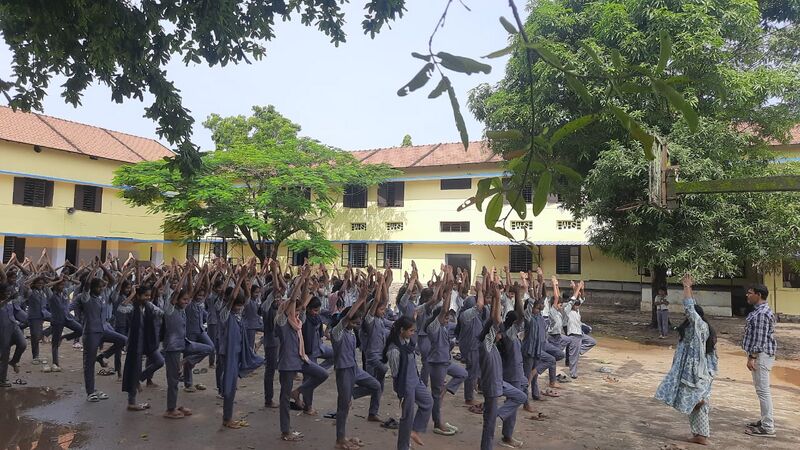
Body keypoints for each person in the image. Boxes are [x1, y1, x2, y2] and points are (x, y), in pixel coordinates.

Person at [655, 274, 718, 446]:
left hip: (694, 372)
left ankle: (701, 435)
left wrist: (687, 287)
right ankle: (700, 434)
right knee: (697, 404)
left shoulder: (699, 327)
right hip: (702, 372)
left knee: (696, 401)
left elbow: (690, 308)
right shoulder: (703, 330)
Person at [330, 279, 380, 450]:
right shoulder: (337, 332)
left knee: (375, 386)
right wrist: (359, 299)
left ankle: (350, 395)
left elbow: (358, 316)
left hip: (354, 369)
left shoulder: (352, 332)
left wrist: (364, 299)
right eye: (354, 322)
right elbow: (347, 318)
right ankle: (340, 439)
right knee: (343, 407)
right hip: (344, 371)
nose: (356, 325)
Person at [219, 259, 264, 429]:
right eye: (236, 306)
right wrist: (239, 279)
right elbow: (232, 299)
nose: (239, 308)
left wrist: (246, 278)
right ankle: (227, 418)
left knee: (232, 384)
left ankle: (227, 415)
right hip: (227, 352)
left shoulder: (238, 313)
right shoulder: (225, 313)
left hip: (238, 351)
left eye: (240, 305)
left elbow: (244, 297)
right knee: (230, 386)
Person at [479, 280, 525, 449]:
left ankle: (496, 415)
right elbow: (494, 321)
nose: (498, 334)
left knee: (520, 396)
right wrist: (497, 297)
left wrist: (498, 299)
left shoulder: (494, 343)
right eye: (496, 332)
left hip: (500, 380)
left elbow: (494, 322)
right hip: (494, 383)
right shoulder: (487, 344)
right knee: (489, 426)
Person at [426, 266, 464, 436]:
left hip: (445, 362)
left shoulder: (443, 327)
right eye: (446, 318)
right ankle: (437, 423)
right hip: (437, 364)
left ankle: (443, 393)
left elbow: (447, 316)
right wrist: (447, 292)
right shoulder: (433, 327)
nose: (447, 320)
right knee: (435, 395)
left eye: (448, 318)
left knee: (462, 373)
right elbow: (442, 311)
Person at [384, 315, 432, 450]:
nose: (413, 333)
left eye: (414, 331)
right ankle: (403, 446)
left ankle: (414, 431)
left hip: (416, 381)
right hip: (405, 385)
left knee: (428, 402)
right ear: (402, 330)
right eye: (411, 331)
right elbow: (395, 373)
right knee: (407, 417)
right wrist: (402, 392)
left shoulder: (407, 343)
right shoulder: (394, 350)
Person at [121, 284, 163, 412]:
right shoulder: (132, 307)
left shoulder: (148, 306)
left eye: (149, 296)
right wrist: (132, 294)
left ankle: (139, 378)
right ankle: (131, 402)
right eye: (145, 296)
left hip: (148, 342)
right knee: (133, 368)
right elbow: (121, 308)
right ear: (138, 296)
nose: (148, 298)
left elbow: (161, 312)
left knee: (160, 361)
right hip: (135, 344)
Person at [742, 284, 777, 438]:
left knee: (763, 391)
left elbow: (760, 340)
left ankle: (768, 426)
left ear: (759, 295)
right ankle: (765, 420)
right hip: (760, 355)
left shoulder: (762, 313)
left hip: (761, 355)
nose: (747, 296)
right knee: (761, 390)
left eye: (750, 293)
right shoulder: (759, 311)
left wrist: (752, 357)